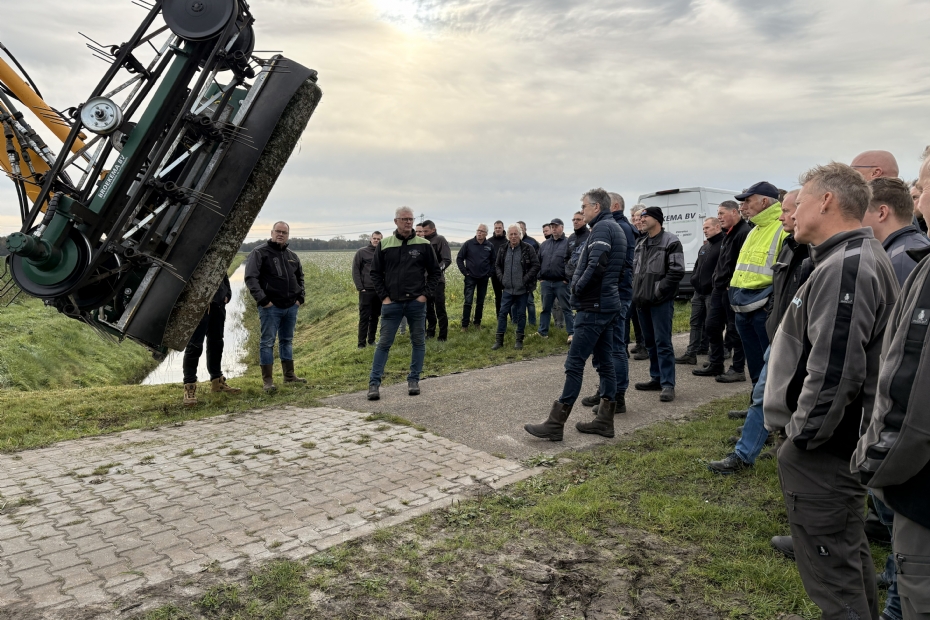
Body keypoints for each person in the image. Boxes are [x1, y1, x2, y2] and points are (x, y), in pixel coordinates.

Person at [764, 162, 897, 620]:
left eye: (799, 202)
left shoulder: (847, 265)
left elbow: (836, 369)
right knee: (846, 557)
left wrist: (802, 437)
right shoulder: (841, 259)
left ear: (826, 201)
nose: (793, 212)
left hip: (825, 449)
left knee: (833, 577)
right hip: (832, 445)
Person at [855, 151, 930, 620]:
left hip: (914, 473)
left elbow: (907, 379)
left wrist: (872, 462)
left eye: (923, 186)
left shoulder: (904, 259)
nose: (917, 195)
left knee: (914, 586)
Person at [707, 190, 811, 475]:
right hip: (772, 323)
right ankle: (758, 446)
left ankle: (754, 450)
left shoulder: (808, 247)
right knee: (765, 388)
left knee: (771, 390)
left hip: (788, 331)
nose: (784, 217)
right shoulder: (787, 241)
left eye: (791, 210)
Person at [524, 188, 626, 440]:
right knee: (605, 363)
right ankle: (604, 421)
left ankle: (555, 424)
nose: (582, 211)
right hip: (608, 304)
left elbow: (597, 264)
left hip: (593, 306)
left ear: (596, 207)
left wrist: (577, 287)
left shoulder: (603, 229)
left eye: (584, 207)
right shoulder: (615, 229)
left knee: (574, 364)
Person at [366, 206, 440, 401]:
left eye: (410, 219)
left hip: (416, 303)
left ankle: (414, 380)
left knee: (418, 342)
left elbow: (435, 273)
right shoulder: (385, 244)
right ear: (396, 221)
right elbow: (375, 273)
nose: (408, 222)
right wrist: (384, 298)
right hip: (392, 304)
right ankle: (374, 384)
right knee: (383, 343)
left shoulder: (423, 244)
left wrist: (424, 296)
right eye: (404, 219)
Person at [582, 191, 638, 415]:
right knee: (605, 346)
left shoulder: (619, 227)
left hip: (617, 295)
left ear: (613, 205)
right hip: (610, 294)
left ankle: (617, 396)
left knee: (615, 346)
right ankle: (606, 390)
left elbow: (608, 265)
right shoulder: (613, 225)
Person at [729, 182, 788, 388]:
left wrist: (769, 304)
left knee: (770, 365)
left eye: (747, 201)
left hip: (763, 309)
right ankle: (755, 407)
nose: (743, 206)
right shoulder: (753, 230)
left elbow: (786, 274)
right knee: (754, 365)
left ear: (764, 202)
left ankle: (766, 413)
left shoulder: (783, 228)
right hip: (743, 307)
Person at [245, 222, 306, 392]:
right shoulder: (260, 252)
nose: (281, 234)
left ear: (288, 235)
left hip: (291, 306)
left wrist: (300, 297)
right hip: (270, 307)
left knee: (287, 341)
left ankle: (289, 376)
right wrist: (264, 300)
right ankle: (268, 381)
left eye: (284, 232)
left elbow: (300, 277)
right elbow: (251, 278)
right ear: (271, 233)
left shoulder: (292, 255)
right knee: (267, 343)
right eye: (278, 231)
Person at [632, 207, 685, 402]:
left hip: (660, 301)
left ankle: (668, 384)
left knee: (663, 342)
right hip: (641, 301)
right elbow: (635, 272)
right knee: (650, 342)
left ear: (657, 219)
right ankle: (656, 377)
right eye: (640, 217)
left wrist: (657, 292)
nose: (641, 220)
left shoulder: (671, 241)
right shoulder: (641, 243)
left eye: (645, 217)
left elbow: (677, 271)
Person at [694, 201, 748, 382]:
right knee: (711, 326)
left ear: (734, 212)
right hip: (718, 289)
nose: (719, 216)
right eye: (718, 213)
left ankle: (738, 369)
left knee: (734, 331)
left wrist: (731, 283)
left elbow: (742, 262)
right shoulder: (729, 234)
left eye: (722, 213)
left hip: (731, 289)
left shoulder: (743, 232)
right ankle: (716, 363)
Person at [182, 275, 241, 405]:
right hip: (198, 306)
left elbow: (223, 273)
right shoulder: (190, 255)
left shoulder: (214, 254)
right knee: (194, 346)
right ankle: (189, 387)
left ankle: (217, 382)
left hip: (218, 306)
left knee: (217, 343)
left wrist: (227, 294)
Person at [861, 177, 930, 286]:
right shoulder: (917, 249)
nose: (857, 218)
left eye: (862, 210)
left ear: (882, 213)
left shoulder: (899, 261)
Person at [676, 218, 723, 365]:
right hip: (699, 292)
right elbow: (698, 266)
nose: (705, 231)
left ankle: (715, 354)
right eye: (704, 228)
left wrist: (714, 284)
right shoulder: (704, 247)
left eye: (707, 228)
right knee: (695, 322)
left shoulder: (723, 245)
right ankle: (691, 353)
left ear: (717, 227)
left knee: (713, 324)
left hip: (712, 292)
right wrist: (694, 280)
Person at [492, 224, 539, 350]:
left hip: (522, 289)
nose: (513, 236)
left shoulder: (528, 249)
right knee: (502, 313)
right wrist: (502, 279)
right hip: (507, 289)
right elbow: (497, 266)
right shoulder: (503, 249)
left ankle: (519, 340)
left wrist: (524, 280)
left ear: (520, 235)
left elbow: (535, 265)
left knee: (521, 314)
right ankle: (499, 340)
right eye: (511, 234)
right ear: (508, 236)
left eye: (516, 234)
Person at [536, 217, 574, 340]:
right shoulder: (544, 244)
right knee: (545, 309)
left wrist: (567, 278)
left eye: (556, 226)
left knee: (566, 308)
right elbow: (538, 262)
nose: (554, 229)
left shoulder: (568, 243)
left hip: (561, 283)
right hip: (546, 282)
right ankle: (543, 332)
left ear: (562, 228)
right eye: (552, 227)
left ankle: (571, 333)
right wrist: (540, 277)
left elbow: (571, 262)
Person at [456, 223, 494, 329]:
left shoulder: (489, 246)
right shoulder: (468, 244)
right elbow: (459, 258)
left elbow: (494, 261)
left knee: (480, 302)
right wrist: (465, 272)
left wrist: (489, 273)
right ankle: (465, 325)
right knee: (468, 301)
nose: (479, 233)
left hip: (483, 278)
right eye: (478, 230)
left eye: (482, 231)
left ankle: (477, 323)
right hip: (470, 277)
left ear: (486, 233)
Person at [352, 231, 383, 349]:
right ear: (370, 239)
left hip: (379, 291)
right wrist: (361, 288)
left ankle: (371, 340)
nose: (376, 240)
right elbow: (356, 270)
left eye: (378, 239)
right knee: (364, 317)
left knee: (375, 316)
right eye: (374, 238)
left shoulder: (383, 253)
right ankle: (361, 344)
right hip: (366, 290)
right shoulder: (361, 252)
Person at [421, 220, 452, 341]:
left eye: (426, 231)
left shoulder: (440, 240)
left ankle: (443, 336)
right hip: (424, 281)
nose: (424, 233)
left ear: (433, 229)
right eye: (422, 231)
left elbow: (447, 260)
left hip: (438, 281)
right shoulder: (423, 242)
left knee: (440, 308)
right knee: (428, 309)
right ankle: (430, 332)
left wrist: (435, 271)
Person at [628, 205, 648, 360]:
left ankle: (646, 346)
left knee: (643, 316)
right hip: (634, 281)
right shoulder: (635, 236)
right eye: (634, 218)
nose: (636, 221)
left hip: (645, 283)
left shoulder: (647, 236)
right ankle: (640, 342)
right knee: (635, 314)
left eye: (638, 218)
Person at [517, 221, 539, 328]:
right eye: (518, 229)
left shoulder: (532, 242)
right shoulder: (512, 241)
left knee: (529, 301)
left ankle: (532, 323)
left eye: (521, 228)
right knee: (514, 303)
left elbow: (537, 261)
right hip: (515, 278)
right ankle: (516, 323)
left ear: (525, 229)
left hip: (529, 278)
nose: (520, 231)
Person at [489, 220, 509, 316]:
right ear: (494, 229)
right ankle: (499, 316)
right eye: (496, 228)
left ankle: (512, 317)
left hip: (507, 273)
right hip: (495, 274)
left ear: (503, 228)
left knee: (509, 295)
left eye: (499, 228)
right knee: (498, 296)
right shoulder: (489, 241)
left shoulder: (508, 240)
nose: (498, 229)